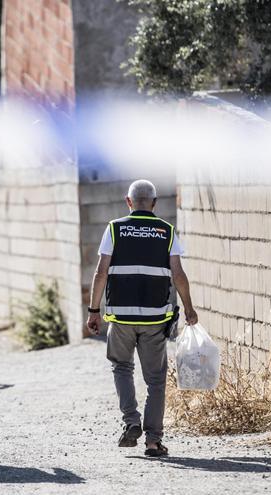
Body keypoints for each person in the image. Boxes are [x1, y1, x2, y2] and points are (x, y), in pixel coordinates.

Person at [86, 179, 198, 458]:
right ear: (155, 203)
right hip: (154, 319)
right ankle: (153, 441)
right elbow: (179, 274)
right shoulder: (167, 231)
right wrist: (189, 308)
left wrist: (93, 310)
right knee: (156, 380)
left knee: (122, 367)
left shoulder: (115, 228)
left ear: (128, 202)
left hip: (121, 316)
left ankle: (131, 421)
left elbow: (101, 272)